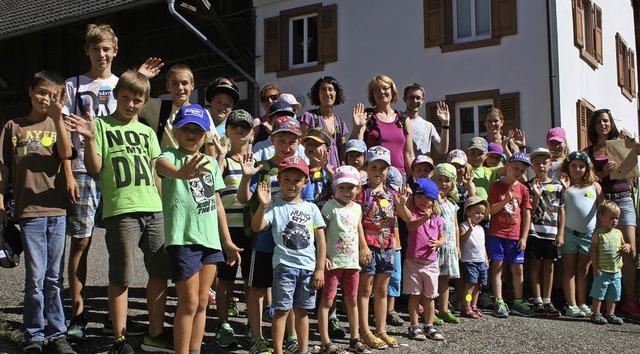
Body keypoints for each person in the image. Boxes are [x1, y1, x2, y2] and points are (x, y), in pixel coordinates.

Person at [62, 24, 163, 339]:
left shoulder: (124, 84)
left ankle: (113, 319)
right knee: (81, 241)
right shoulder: (74, 85)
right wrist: (67, 172)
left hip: (122, 177)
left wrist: (142, 77)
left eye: (106, 48)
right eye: (96, 49)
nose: (101, 54)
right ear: (87, 51)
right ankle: (78, 314)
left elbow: (140, 108)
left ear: (115, 51)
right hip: (83, 167)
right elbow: (63, 131)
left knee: (125, 246)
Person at [155, 104, 242, 354]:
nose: (192, 135)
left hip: (210, 241)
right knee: (189, 301)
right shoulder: (170, 155)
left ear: (205, 134)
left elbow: (217, 205)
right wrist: (180, 173)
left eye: (198, 130)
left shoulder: (210, 162)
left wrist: (226, 241)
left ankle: (195, 350)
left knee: (203, 302)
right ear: (176, 131)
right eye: (186, 129)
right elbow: (160, 167)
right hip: (183, 239)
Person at [0, 71, 76, 354]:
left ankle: (58, 333)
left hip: (57, 209)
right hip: (29, 211)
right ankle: (34, 334)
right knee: (35, 276)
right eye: (42, 92)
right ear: (31, 91)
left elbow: (67, 154)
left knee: (54, 277)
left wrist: (58, 118)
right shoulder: (13, 126)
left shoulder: (58, 124)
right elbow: (3, 168)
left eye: (53, 96)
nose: (46, 99)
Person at [237, 116, 309, 354]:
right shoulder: (263, 166)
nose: (286, 144)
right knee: (257, 289)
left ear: (298, 142)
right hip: (265, 239)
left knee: (286, 292)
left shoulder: (301, 169)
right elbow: (244, 199)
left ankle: (291, 336)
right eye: (281, 139)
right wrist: (247, 177)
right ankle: (256, 337)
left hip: (291, 245)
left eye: (292, 140)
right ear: (272, 139)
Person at [251, 156, 327, 354]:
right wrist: (263, 205)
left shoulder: (312, 208)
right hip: (284, 266)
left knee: (302, 312)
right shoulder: (275, 206)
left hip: (309, 268)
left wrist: (320, 269)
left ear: (305, 182)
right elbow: (257, 226)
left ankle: (302, 350)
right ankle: (278, 350)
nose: (291, 184)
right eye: (287, 179)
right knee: (281, 310)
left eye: (296, 180)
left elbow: (321, 240)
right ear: (279, 180)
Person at [584, 108, 640, 317]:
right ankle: (606, 300)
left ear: (611, 124)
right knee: (603, 251)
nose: (603, 125)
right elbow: (587, 180)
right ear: (593, 126)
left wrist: (632, 144)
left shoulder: (622, 145)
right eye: (599, 122)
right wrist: (603, 173)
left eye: (606, 121)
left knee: (630, 251)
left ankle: (629, 300)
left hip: (624, 200)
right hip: (603, 203)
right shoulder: (589, 151)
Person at [355, 146, 410, 350]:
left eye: (383, 168)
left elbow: (408, 220)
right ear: (367, 167)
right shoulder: (362, 193)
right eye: (374, 166)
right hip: (368, 245)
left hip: (387, 246)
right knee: (365, 290)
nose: (378, 171)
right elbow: (356, 221)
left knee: (382, 290)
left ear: (388, 170)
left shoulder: (392, 194)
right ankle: (365, 330)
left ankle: (381, 329)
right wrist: (362, 246)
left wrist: (403, 204)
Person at [319, 166, 372, 354]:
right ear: (335, 189)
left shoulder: (357, 208)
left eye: (351, 187)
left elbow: (358, 229)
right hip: (333, 262)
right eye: (342, 187)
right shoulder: (329, 207)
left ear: (358, 188)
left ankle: (354, 338)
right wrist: (323, 256)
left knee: (352, 300)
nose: (346, 192)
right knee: (327, 300)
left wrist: (364, 246)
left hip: (352, 262)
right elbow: (321, 233)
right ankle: (325, 341)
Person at [214, 109, 254, 348]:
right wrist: (221, 155)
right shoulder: (224, 160)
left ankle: (252, 323)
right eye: (235, 126)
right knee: (226, 280)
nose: (240, 130)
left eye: (245, 127)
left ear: (251, 132)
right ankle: (222, 323)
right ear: (227, 130)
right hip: (228, 230)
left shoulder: (255, 161)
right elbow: (215, 183)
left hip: (250, 230)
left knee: (250, 281)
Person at [487, 152, 533, 318]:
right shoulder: (495, 186)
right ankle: (498, 300)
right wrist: (506, 200)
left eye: (522, 170)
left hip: (515, 235)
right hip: (497, 232)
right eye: (515, 167)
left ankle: (518, 300)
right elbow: (491, 210)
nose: (518, 172)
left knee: (517, 268)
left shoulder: (524, 189)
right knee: (497, 266)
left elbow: (527, 214)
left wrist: (524, 237)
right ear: (507, 165)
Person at [560, 151, 602, 318]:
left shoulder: (594, 186)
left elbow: (602, 208)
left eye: (581, 166)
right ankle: (571, 304)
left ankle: (582, 302)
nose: (577, 169)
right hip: (569, 232)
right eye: (573, 166)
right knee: (569, 269)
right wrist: (564, 188)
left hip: (588, 234)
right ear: (567, 167)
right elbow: (559, 207)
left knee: (584, 270)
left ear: (587, 168)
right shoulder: (564, 186)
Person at [403, 178, 445, 341]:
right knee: (415, 295)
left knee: (429, 296)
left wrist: (439, 243)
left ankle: (429, 325)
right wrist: (424, 218)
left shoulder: (437, 218)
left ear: (433, 199)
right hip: (414, 261)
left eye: (427, 197)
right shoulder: (413, 213)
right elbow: (411, 226)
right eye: (419, 197)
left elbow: (443, 237)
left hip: (431, 262)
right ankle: (414, 325)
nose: (423, 201)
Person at [525, 148, 564, 316]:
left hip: (551, 232)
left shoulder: (557, 186)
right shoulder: (529, 185)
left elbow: (562, 210)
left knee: (549, 265)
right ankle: (537, 299)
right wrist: (535, 194)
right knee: (535, 264)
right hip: (534, 231)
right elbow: (528, 210)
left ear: (550, 165)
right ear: (532, 166)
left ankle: (548, 299)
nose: (541, 166)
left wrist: (561, 233)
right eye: (537, 163)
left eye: (544, 162)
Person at [351, 75, 415, 174]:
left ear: (392, 91)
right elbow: (354, 147)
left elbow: (409, 154)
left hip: (398, 178)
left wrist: (413, 180)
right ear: (372, 94)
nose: (381, 92)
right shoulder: (367, 117)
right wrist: (357, 128)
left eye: (385, 88)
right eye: (376, 90)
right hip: (374, 178)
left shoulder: (403, 118)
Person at [589, 201, 630, 325]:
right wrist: (595, 267)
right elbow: (594, 252)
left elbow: (624, 244)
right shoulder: (598, 233)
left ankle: (611, 313)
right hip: (603, 269)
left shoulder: (618, 233)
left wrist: (627, 246)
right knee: (599, 292)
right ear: (601, 217)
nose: (615, 221)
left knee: (614, 294)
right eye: (611, 218)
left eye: (617, 218)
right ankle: (596, 313)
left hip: (616, 270)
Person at [431, 164, 460, 324]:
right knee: (432, 279)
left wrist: (457, 246)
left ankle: (443, 309)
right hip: (435, 246)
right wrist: (436, 199)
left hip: (449, 247)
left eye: (447, 180)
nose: (443, 184)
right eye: (439, 180)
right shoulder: (433, 201)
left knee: (445, 280)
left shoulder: (451, 203)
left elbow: (455, 226)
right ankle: (430, 309)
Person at [300, 76, 349, 167]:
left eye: (331, 89)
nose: (327, 93)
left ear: (336, 93)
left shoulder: (340, 123)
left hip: (335, 168)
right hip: (316, 167)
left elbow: (342, 150)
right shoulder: (310, 117)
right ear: (317, 94)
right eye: (323, 89)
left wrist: (342, 168)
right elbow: (304, 145)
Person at [459, 196, 490, 319]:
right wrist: (469, 231)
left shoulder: (481, 228)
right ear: (467, 211)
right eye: (477, 212)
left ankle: (474, 304)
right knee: (470, 285)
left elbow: (482, 245)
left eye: (482, 213)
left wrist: (486, 258)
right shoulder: (464, 226)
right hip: (469, 261)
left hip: (480, 260)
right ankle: (466, 305)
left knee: (478, 285)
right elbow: (461, 241)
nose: (480, 216)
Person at [402, 83, 450, 157]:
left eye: (418, 98)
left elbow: (442, 150)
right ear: (405, 99)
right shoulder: (398, 121)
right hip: (404, 167)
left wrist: (445, 123)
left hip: (424, 167)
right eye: (411, 97)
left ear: (422, 100)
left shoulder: (428, 126)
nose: (415, 101)